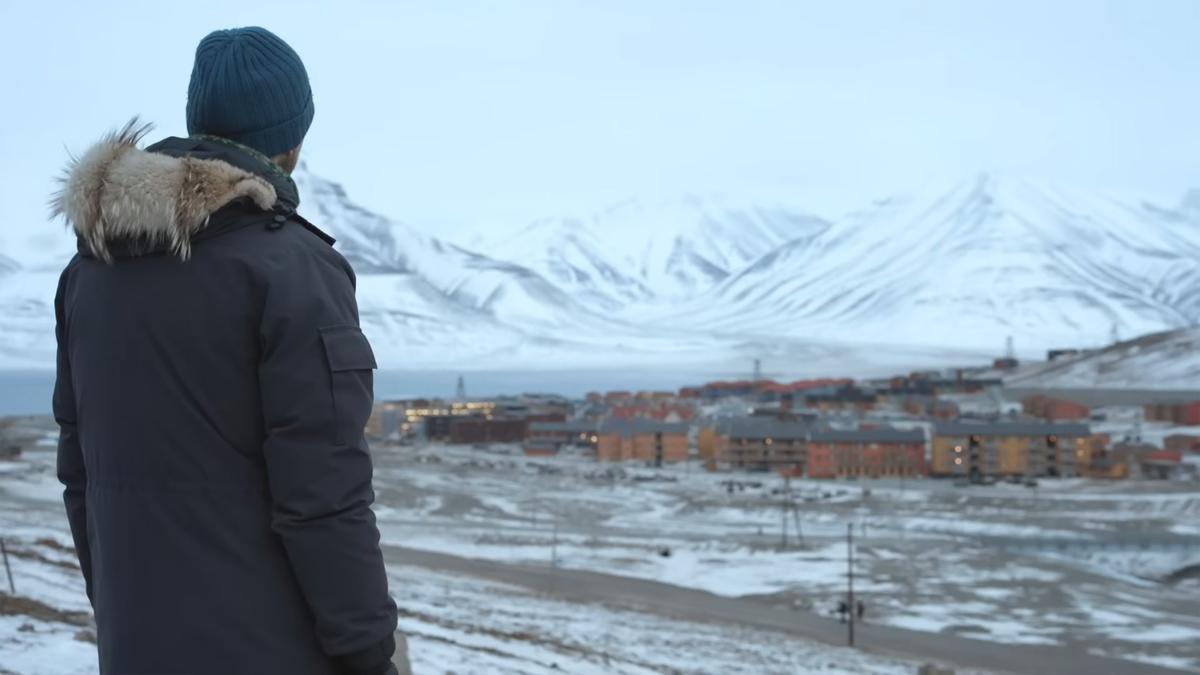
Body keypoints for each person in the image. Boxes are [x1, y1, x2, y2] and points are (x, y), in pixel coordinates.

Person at [51, 26, 398, 674]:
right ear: (291, 142)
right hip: (273, 651)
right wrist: (366, 650)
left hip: (136, 645)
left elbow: (81, 474)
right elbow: (323, 494)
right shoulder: (291, 269)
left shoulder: (89, 273)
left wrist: (125, 615)